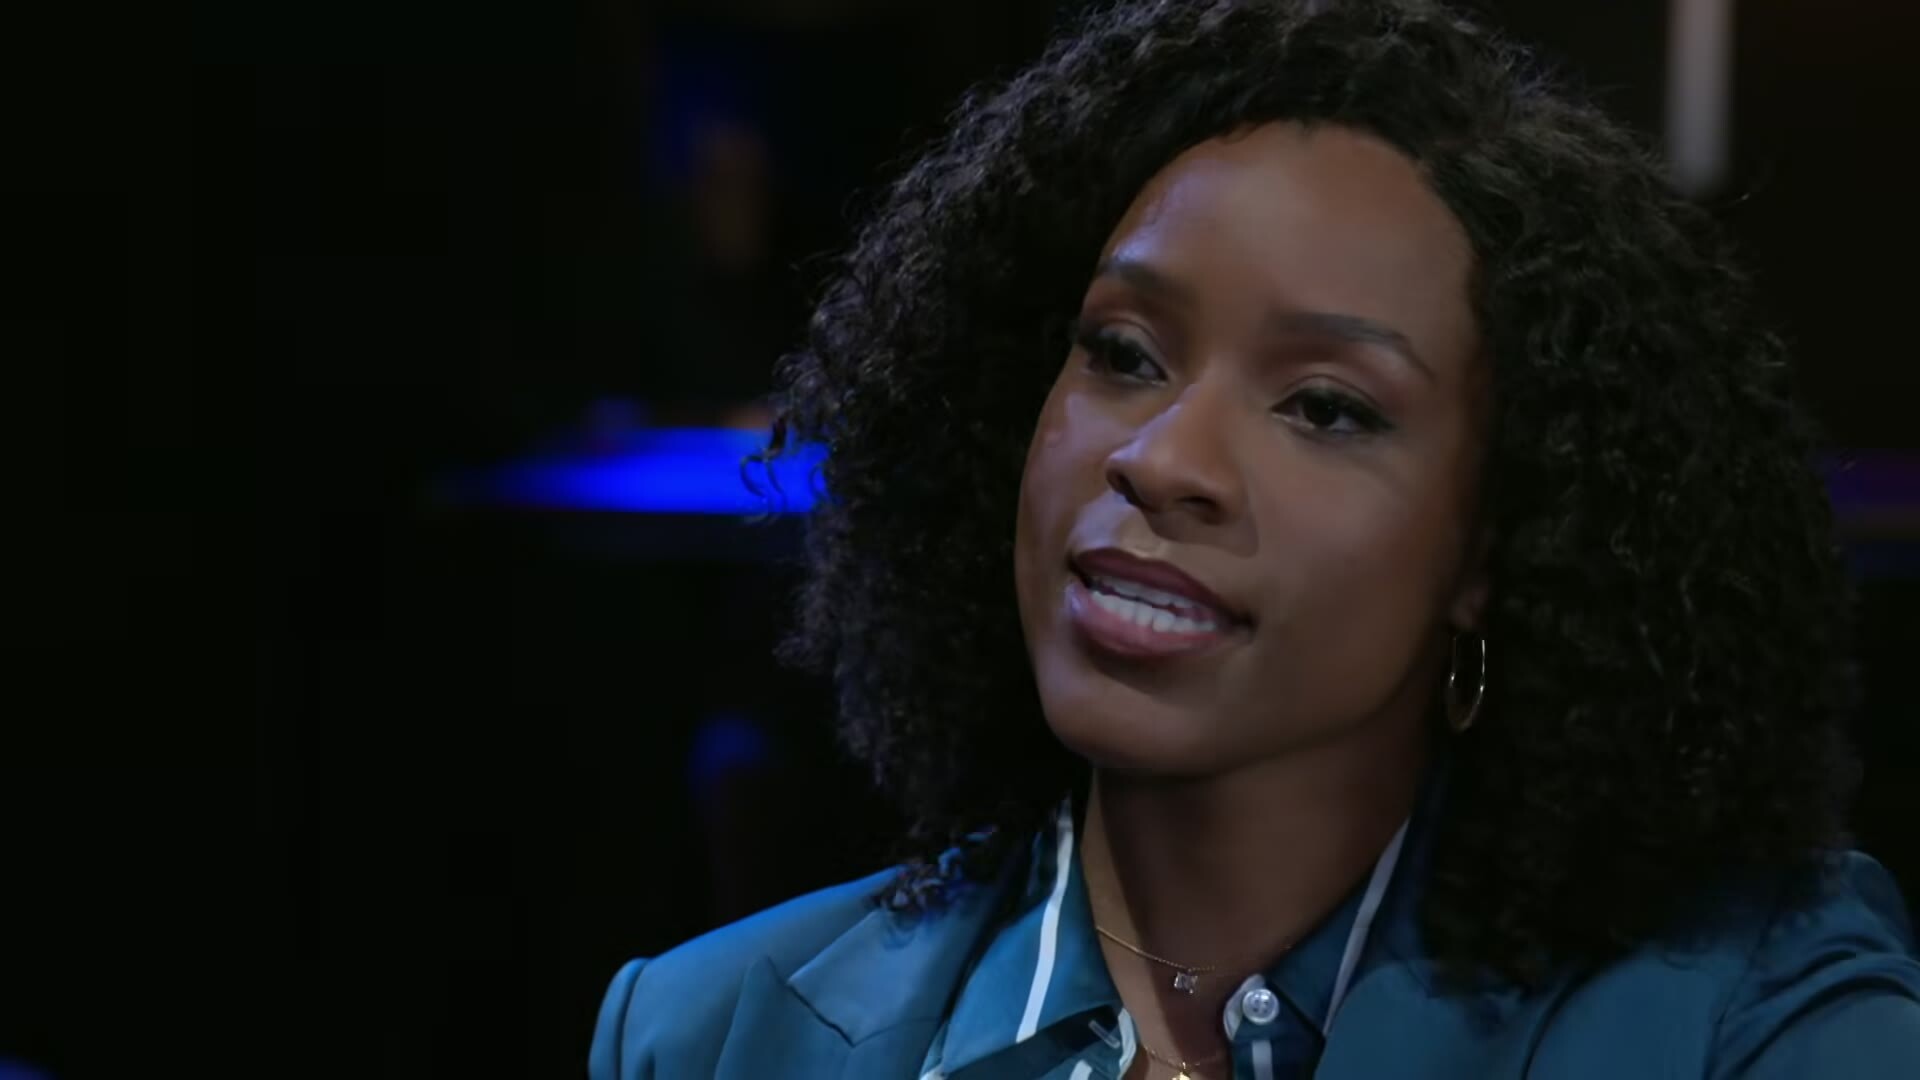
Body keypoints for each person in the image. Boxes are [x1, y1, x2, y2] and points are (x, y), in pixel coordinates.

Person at [590, 1, 1920, 1076]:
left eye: (1326, 408)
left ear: (1496, 547)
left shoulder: (1755, 1022)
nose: (1164, 459)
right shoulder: (703, 1035)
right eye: (1123, 352)